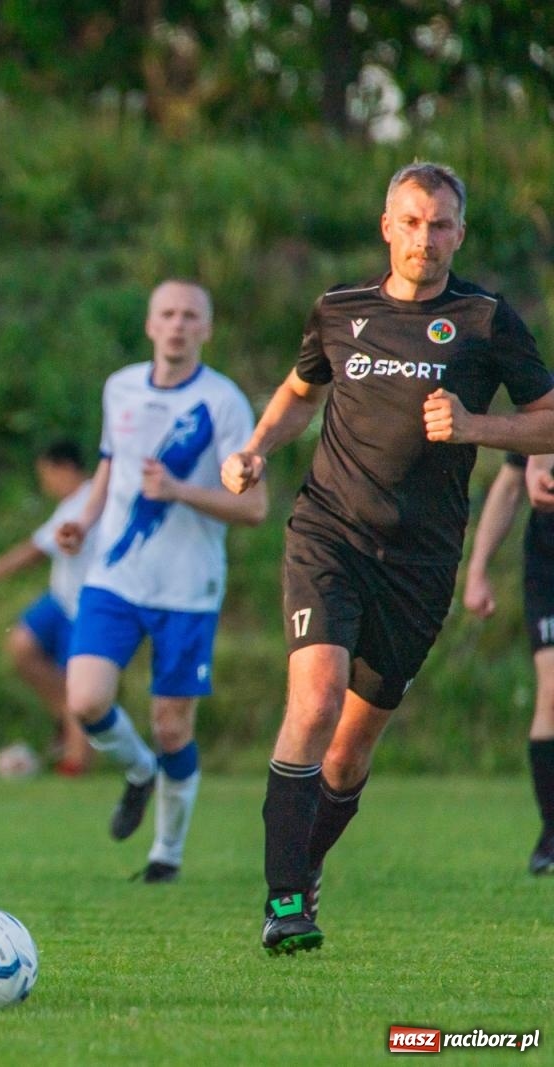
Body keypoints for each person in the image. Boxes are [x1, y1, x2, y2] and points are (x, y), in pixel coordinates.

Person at [221, 162, 554, 955]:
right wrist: (258, 447)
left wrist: (478, 428)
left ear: (459, 233)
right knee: (316, 695)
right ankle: (285, 900)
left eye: (439, 224)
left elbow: (547, 418)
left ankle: (303, 869)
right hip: (329, 532)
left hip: (421, 562)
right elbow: (303, 391)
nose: (423, 238)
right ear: (385, 226)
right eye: (410, 221)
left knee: (351, 748)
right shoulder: (340, 311)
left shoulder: (484, 320)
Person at [56, 280, 266, 884]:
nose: (177, 325)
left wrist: (178, 491)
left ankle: (166, 856)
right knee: (86, 699)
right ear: (150, 325)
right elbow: (108, 465)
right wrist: (83, 522)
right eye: (167, 314)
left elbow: (253, 508)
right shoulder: (119, 387)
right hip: (116, 577)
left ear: (206, 328)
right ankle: (139, 771)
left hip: (187, 585)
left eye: (190, 316)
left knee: (173, 725)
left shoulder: (223, 403)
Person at [0, 440, 96, 775]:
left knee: (78, 684)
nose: (45, 484)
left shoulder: (89, 499)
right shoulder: (70, 502)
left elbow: (35, 550)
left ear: (64, 468)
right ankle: (63, 716)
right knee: (21, 646)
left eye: (46, 475)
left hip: (88, 603)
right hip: (60, 597)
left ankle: (76, 763)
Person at [460, 451, 554, 875]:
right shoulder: (544, 396)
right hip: (548, 563)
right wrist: (477, 570)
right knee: (552, 691)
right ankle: (552, 835)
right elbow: (513, 480)